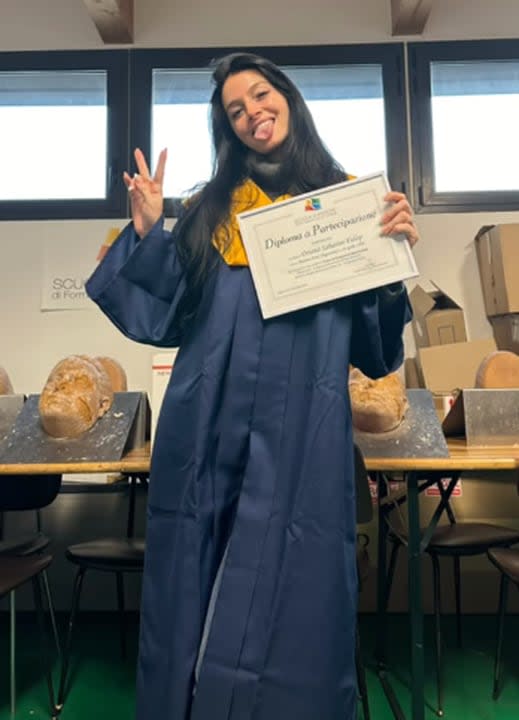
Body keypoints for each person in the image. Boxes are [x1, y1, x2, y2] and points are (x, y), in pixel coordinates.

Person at [86, 52, 419, 720]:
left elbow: (371, 344)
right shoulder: (210, 209)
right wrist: (151, 229)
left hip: (301, 421)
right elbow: (166, 314)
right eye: (234, 110)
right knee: (193, 556)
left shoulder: (346, 204)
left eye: (260, 96)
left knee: (299, 565)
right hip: (204, 414)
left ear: (288, 99)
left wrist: (391, 259)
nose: (250, 114)